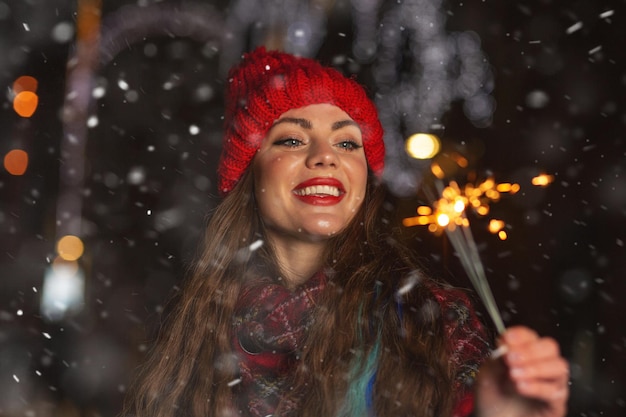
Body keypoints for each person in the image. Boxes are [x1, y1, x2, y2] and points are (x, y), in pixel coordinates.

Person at [123, 47, 569, 417]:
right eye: (292, 140)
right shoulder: (192, 332)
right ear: (248, 173)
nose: (325, 157)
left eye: (347, 142)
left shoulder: (430, 321)